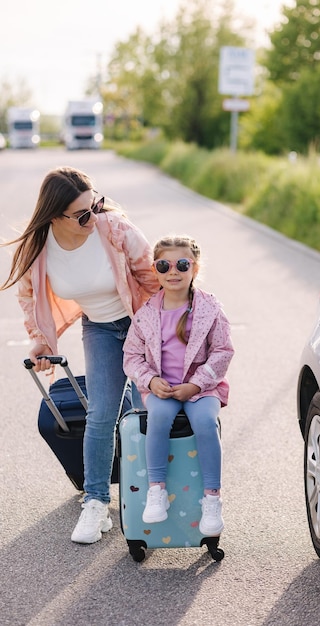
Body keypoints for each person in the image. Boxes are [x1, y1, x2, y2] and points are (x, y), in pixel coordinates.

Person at [0, 166, 160, 544]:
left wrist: (166, 333)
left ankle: (157, 497)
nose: (95, 216)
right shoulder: (38, 249)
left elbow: (155, 277)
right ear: (56, 217)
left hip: (143, 324)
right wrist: (39, 340)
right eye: (83, 213)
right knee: (102, 413)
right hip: (101, 328)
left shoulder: (115, 229)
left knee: (149, 410)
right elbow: (29, 298)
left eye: (96, 204)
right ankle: (95, 502)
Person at [123, 234, 234, 536]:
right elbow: (131, 356)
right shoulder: (146, 314)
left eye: (182, 264)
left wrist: (196, 385)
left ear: (194, 269)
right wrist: (150, 380)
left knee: (205, 422)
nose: (173, 271)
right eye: (164, 265)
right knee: (158, 417)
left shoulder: (210, 309)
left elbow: (223, 351)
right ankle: (156, 490)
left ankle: (212, 498)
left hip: (201, 389)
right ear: (156, 270)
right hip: (162, 388)